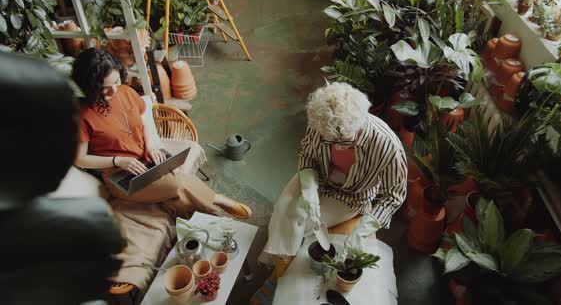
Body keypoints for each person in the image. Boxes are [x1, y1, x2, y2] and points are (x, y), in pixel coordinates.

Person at [252, 82, 407, 304]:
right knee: (285, 210)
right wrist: (309, 187)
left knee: (302, 228)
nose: (332, 144)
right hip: (318, 178)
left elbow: (394, 196)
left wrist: (364, 229)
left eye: (340, 141)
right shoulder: (321, 125)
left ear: (359, 121)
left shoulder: (387, 145)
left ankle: (277, 280)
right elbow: (307, 153)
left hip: (352, 195)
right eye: (327, 139)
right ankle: (278, 270)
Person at [72, 48, 251, 219]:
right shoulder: (83, 115)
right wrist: (118, 160)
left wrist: (150, 145)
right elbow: (80, 159)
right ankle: (218, 204)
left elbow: (143, 120)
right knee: (176, 183)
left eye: (117, 81)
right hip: (121, 175)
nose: (114, 91)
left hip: (147, 159)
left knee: (177, 176)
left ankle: (213, 219)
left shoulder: (126, 92)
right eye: (105, 88)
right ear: (90, 87)